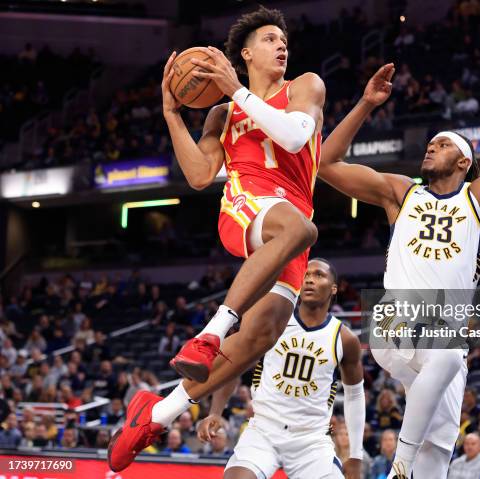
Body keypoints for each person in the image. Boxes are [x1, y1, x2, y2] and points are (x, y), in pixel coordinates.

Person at [319, 59, 480, 478]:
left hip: (445, 339)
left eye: (442, 144)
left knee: (438, 452)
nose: (431, 147)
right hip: (396, 319)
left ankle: (411, 465)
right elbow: (326, 164)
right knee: (449, 349)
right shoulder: (400, 192)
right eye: (430, 143)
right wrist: (366, 104)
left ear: (463, 161)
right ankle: (399, 465)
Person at [108, 6, 325, 471]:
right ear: (244, 53)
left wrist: (237, 89)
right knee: (301, 228)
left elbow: (292, 138)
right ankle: (209, 334)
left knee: (262, 334)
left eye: (283, 39)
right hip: (246, 207)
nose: (280, 45)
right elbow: (199, 175)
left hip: (289, 219)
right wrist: (171, 114)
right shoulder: (222, 114)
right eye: (269, 39)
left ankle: (155, 414)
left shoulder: (305, 86)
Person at [197, 259, 365, 479]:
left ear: (334, 288)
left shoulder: (344, 338)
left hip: (311, 440)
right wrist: (216, 411)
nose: (309, 280)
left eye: (318, 275)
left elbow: (355, 395)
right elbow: (233, 364)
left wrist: (355, 455)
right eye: (305, 275)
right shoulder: (272, 323)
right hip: (263, 430)